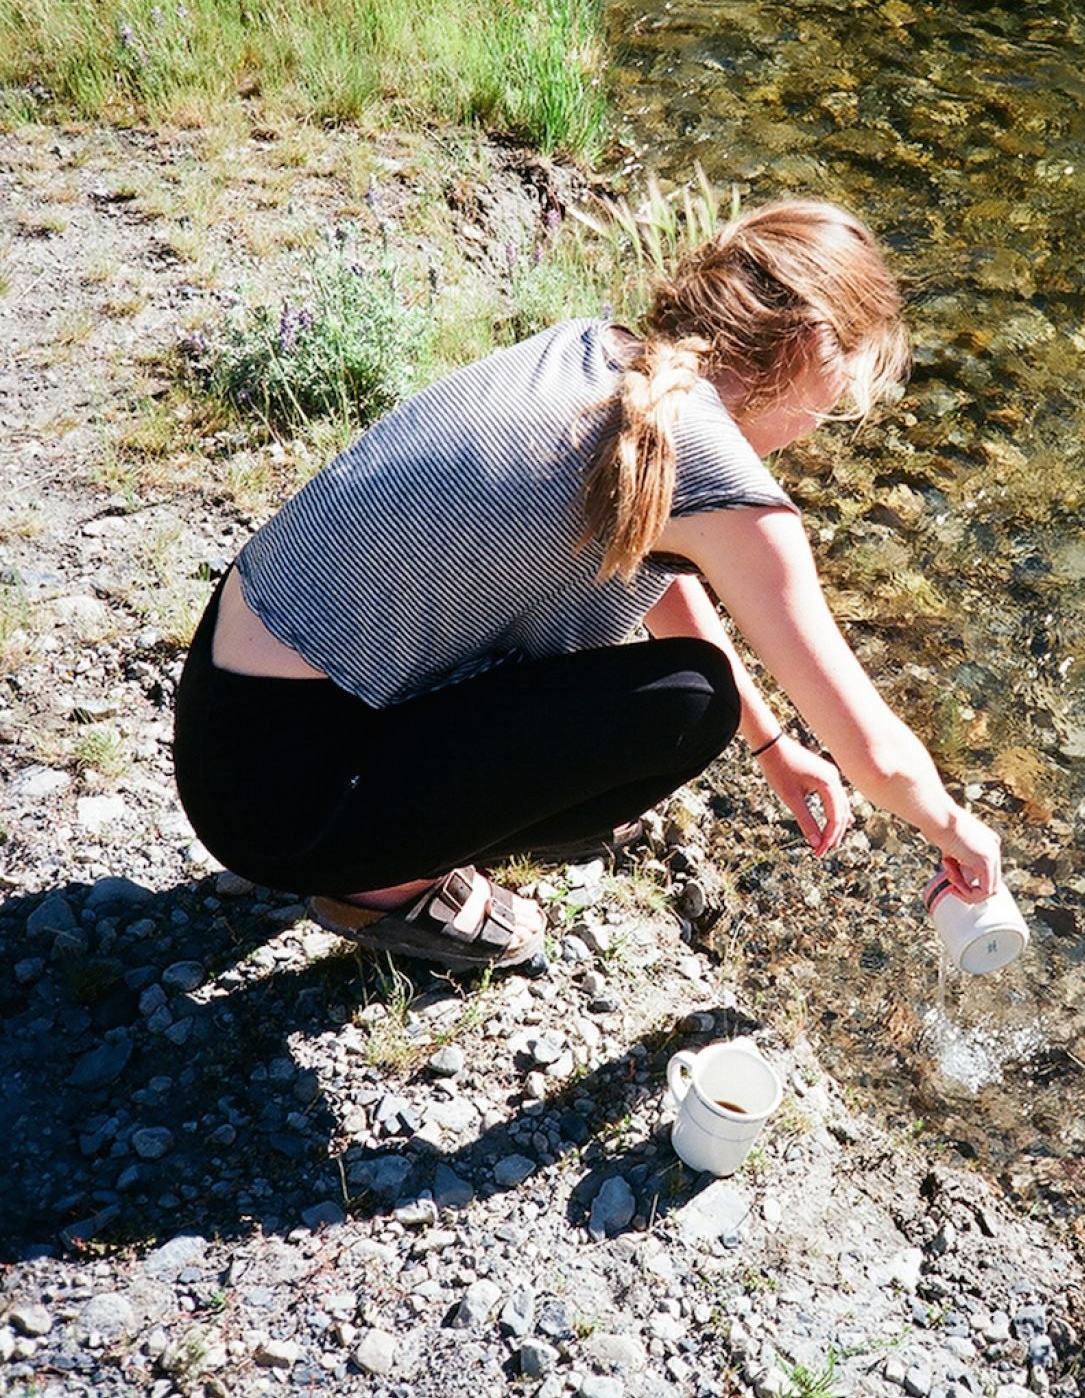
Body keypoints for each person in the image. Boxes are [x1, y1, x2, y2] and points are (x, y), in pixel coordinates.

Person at [172, 198, 1002, 974]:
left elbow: (655, 564)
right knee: (690, 702)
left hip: (223, 717)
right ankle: (383, 885)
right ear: (811, 350)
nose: (813, 436)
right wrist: (956, 830)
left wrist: (776, 746)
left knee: (690, 685)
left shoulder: (594, 355)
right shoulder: (722, 482)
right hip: (286, 814)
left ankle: (401, 827)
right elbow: (875, 751)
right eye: (831, 407)